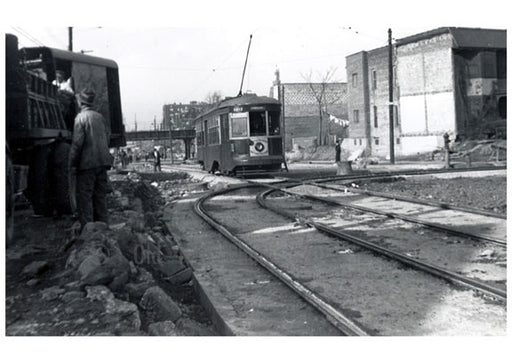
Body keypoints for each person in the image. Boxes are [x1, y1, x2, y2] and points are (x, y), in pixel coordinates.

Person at [69, 88, 112, 229]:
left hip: (88, 164)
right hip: (103, 162)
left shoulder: (80, 118)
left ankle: (89, 234)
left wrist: (73, 163)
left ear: (81, 102)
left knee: (85, 198)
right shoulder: (99, 117)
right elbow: (107, 137)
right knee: (100, 197)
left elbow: (77, 143)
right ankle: (104, 229)